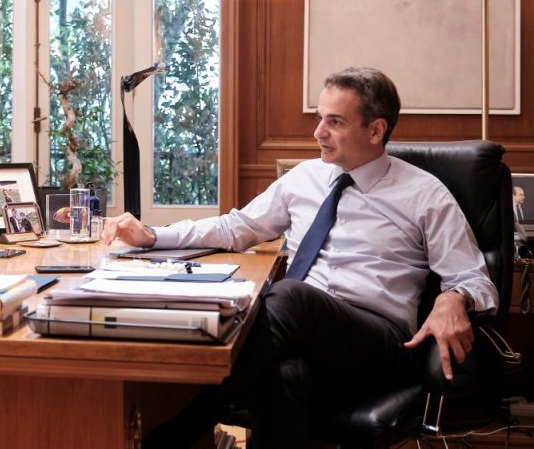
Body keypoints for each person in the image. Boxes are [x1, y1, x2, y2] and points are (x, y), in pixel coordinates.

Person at [102, 67, 497, 447]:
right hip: (301, 336)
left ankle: (187, 422)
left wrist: (453, 297)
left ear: (376, 130)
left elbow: (476, 280)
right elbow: (235, 227)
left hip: (381, 344)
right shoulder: (305, 177)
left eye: (335, 122)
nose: (318, 132)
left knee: (291, 295)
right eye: (319, 118)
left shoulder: (424, 194)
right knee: (283, 375)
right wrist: (152, 235)